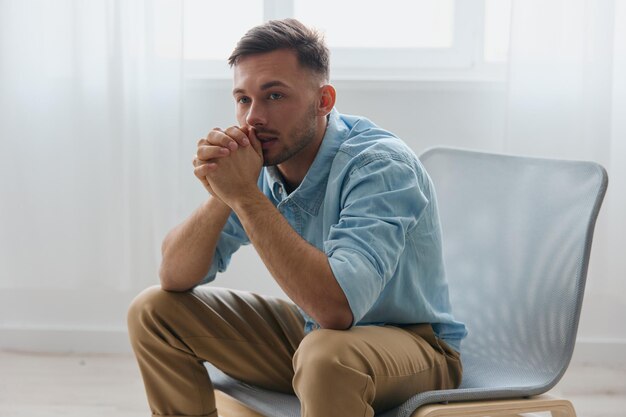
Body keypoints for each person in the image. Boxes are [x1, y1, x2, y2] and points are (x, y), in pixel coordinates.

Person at [127, 18, 467, 417]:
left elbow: (337, 309)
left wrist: (244, 195)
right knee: (153, 312)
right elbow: (174, 274)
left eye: (273, 96)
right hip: (316, 338)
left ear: (323, 100)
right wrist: (225, 190)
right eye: (243, 99)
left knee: (327, 356)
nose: (253, 118)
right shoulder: (266, 165)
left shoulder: (379, 166)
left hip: (415, 347)